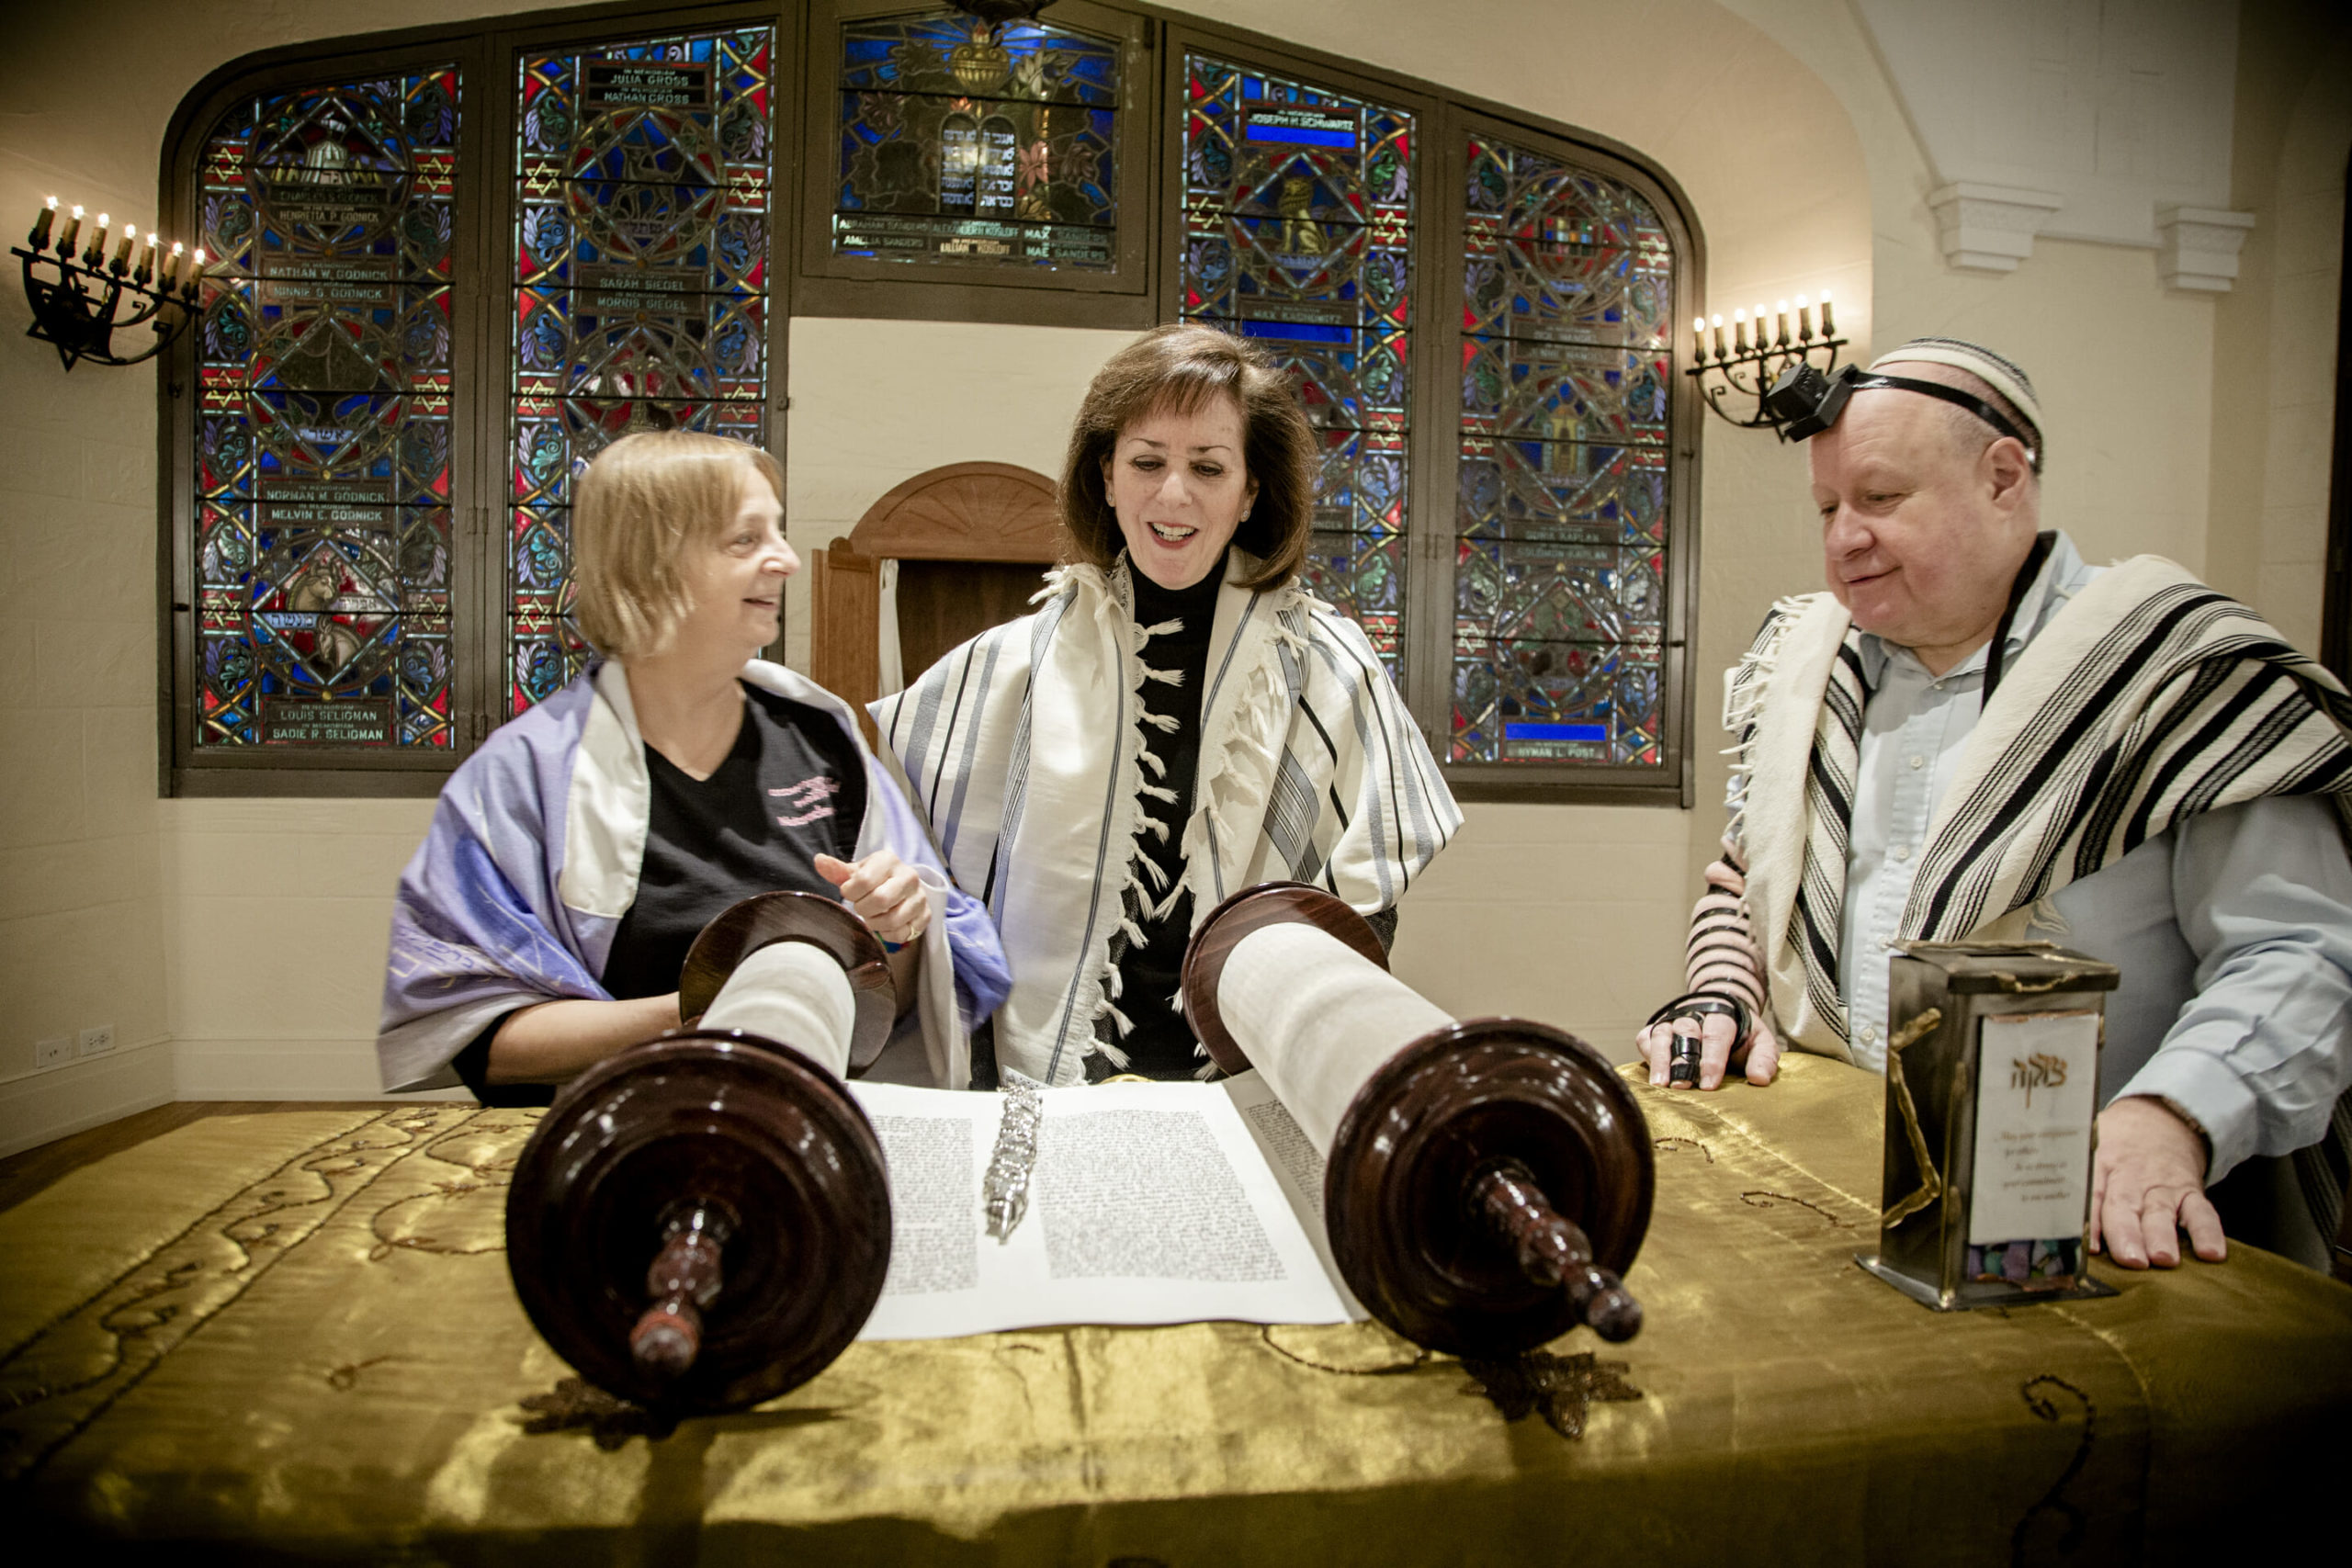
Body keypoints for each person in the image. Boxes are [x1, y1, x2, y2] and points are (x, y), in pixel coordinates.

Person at [1637, 337, 2352, 1274]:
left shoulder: (2176, 671)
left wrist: (2176, 1114)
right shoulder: (1803, 664)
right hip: (1825, 1182)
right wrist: (1718, 995)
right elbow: (1744, 882)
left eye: (1880, 499)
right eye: (1827, 507)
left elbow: (2297, 953)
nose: (1843, 536)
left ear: (2003, 478)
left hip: (2096, 1209)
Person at [873, 323, 1460, 1086]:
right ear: (1107, 477)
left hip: (1251, 1077)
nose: (1172, 493)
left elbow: (1362, 911)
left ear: (1249, 492)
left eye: (1208, 468)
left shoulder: (1328, 665)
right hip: (1043, 1085)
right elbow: (941, 903)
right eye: (1146, 461)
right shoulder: (1006, 668)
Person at [378, 431, 1011, 1103]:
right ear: (649, 563)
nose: (788, 560)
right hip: (616, 1144)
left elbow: (910, 984)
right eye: (746, 540)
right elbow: (481, 1034)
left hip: (800, 1137)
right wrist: (730, 1013)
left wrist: (902, 925)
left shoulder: (822, 739)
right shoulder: (524, 776)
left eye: (780, 532)